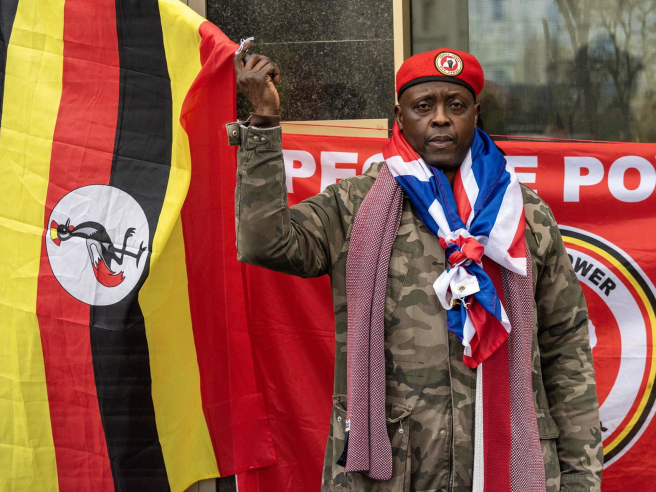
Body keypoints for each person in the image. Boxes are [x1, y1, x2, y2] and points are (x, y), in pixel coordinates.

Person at [230, 42, 603, 492]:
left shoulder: (523, 215)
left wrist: (581, 477)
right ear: (400, 117)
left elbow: (566, 347)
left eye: (456, 105)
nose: (441, 118)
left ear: (476, 114)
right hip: (389, 469)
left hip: (507, 462)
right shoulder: (355, 206)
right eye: (424, 106)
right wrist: (264, 123)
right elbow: (265, 242)